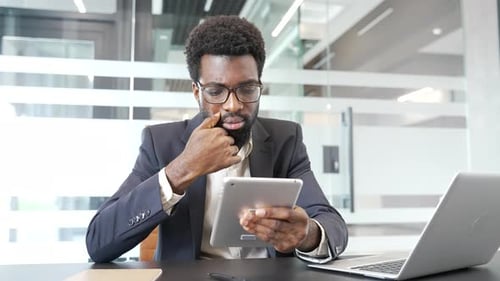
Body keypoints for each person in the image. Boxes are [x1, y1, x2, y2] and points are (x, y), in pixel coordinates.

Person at [86, 15, 348, 263]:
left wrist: (307, 234)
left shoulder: (285, 140)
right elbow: (98, 242)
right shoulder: (161, 142)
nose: (232, 105)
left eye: (246, 89)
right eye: (215, 91)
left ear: (260, 87)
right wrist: (182, 169)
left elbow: (332, 225)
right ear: (196, 92)